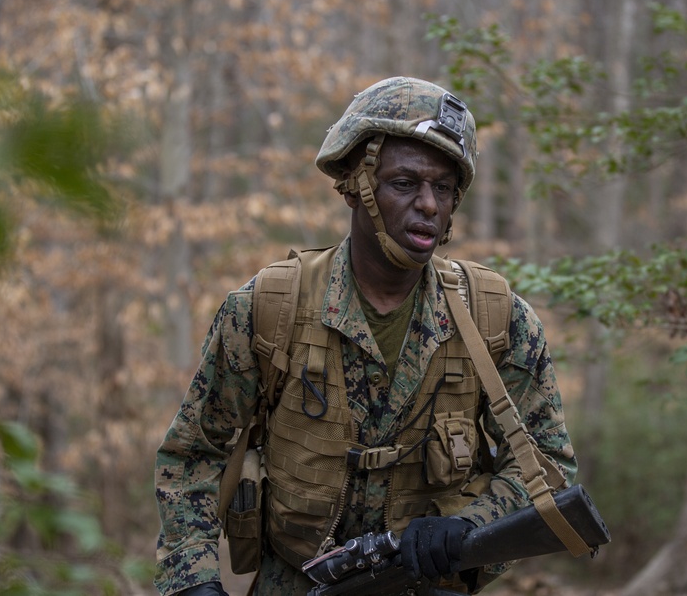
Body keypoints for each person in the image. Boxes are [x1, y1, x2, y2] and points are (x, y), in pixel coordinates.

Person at [154, 76, 578, 596]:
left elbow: (549, 466)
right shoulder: (270, 308)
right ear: (357, 187)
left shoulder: (495, 319)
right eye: (405, 183)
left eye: (442, 188)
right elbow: (194, 453)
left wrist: (472, 523)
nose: (427, 204)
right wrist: (192, 581)